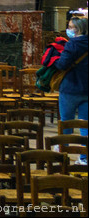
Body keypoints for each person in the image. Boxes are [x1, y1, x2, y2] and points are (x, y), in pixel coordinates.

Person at [55, 15, 88, 163]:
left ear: (77, 28)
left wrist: (56, 60)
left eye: (70, 27)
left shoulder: (72, 44)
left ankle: (63, 154)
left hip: (70, 89)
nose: (68, 30)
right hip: (87, 90)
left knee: (66, 122)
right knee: (85, 124)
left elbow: (62, 65)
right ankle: (84, 157)